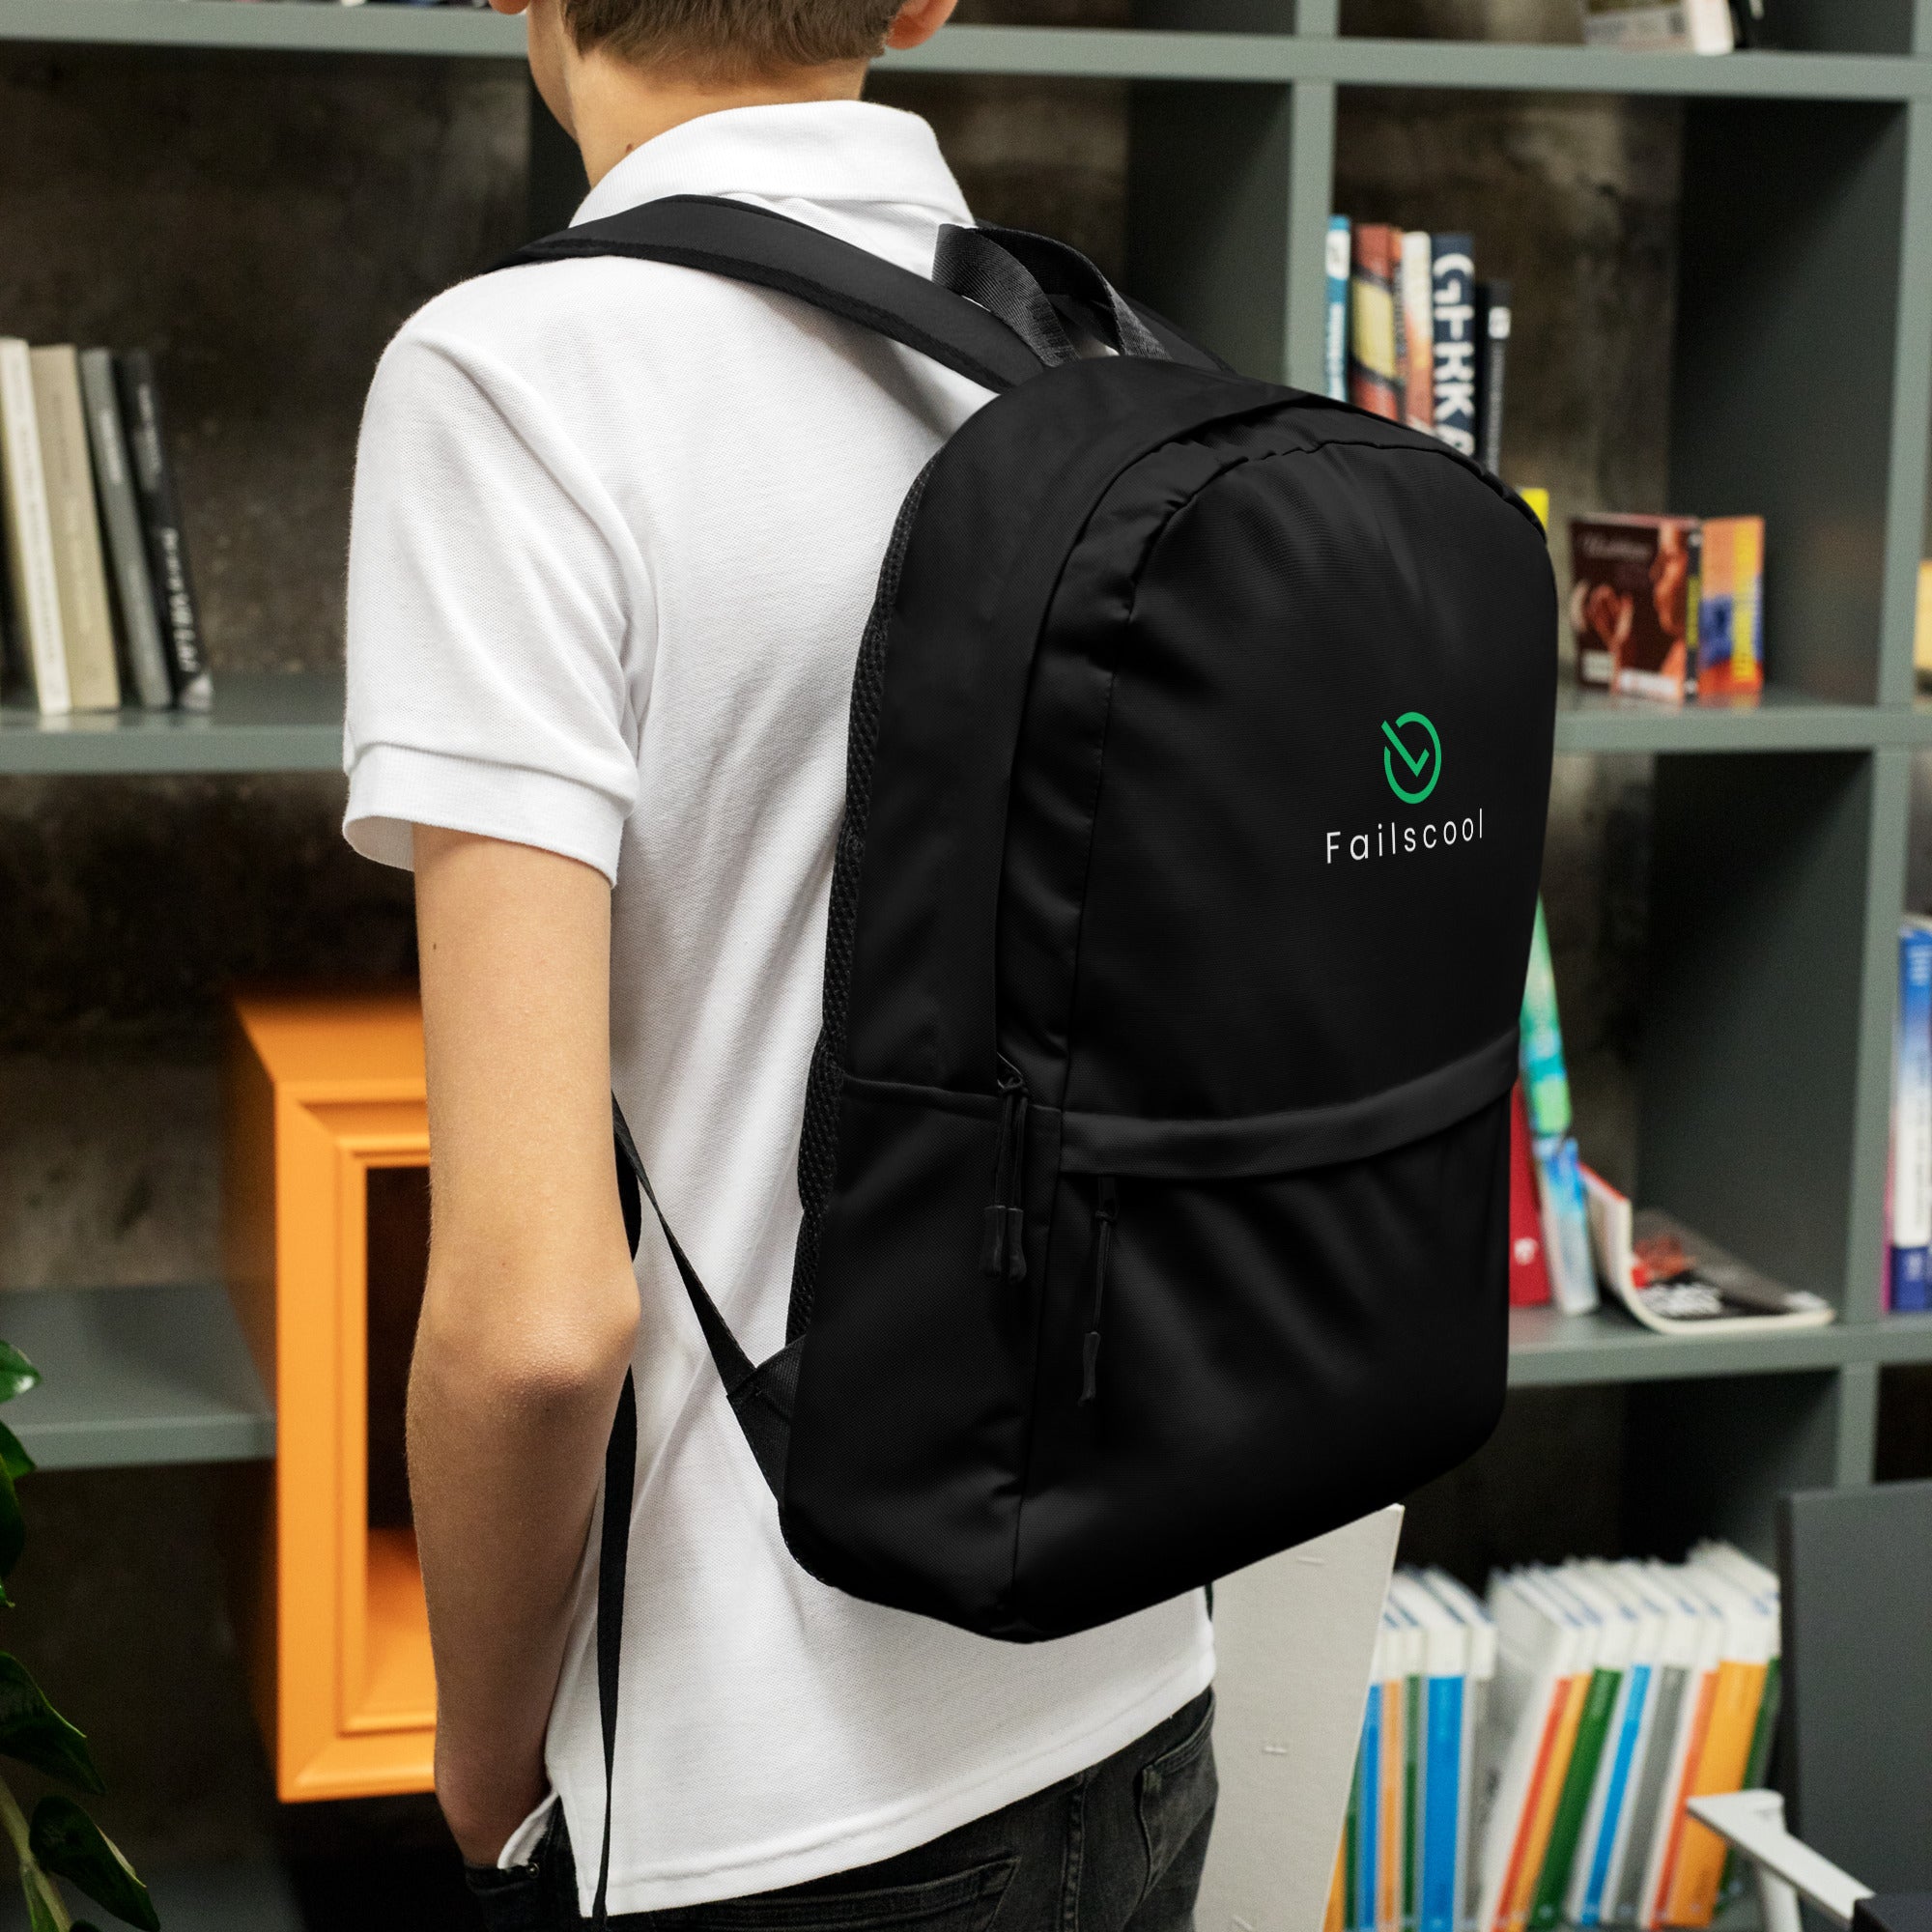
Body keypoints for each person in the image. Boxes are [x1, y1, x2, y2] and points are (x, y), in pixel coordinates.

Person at [340, 0, 1216, 1922]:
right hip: (1140, 1688)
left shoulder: (513, 383)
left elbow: (536, 1317)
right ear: (924, 0)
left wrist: (487, 1760)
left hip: (774, 1799)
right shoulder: (1107, 367)